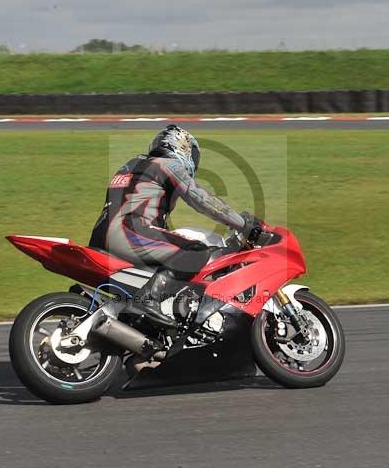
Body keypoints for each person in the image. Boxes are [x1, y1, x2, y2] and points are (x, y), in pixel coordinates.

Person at [90, 125, 261, 326]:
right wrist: (243, 223)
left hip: (101, 234)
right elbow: (200, 199)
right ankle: (149, 301)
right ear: (182, 148)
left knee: (172, 255)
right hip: (130, 232)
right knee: (196, 250)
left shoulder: (131, 164)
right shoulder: (168, 164)